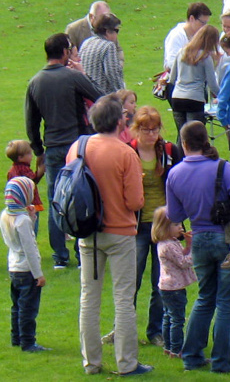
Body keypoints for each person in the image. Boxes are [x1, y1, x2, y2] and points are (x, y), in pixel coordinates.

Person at [166, 121, 230, 373]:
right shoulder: (221, 168)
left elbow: (175, 214)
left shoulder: (174, 173)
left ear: (183, 144)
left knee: (205, 298)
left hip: (200, 239)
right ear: (206, 140)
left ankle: (192, 356)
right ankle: (222, 361)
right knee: (227, 302)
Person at [68, 96, 151, 376]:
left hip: (87, 232)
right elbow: (135, 202)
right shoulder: (126, 153)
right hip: (120, 233)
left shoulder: (77, 148)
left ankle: (91, 363)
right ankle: (126, 363)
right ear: (120, 121)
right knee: (123, 299)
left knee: (89, 298)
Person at [25, 33, 102, 268]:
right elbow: (100, 96)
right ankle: (82, 254)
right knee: (80, 196)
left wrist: (39, 150)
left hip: (53, 148)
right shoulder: (72, 77)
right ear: (65, 52)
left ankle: (60, 256)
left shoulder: (35, 82)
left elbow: (31, 122)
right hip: (77, 147)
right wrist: (82, 73)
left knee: (55, 199)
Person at [123, 106, 181, 350]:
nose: (151, 134)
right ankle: (125, 329)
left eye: (155, 129)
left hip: (164, 227)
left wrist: (178, 220)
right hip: (136, 226)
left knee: (162, 281)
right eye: (146, 130)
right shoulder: (128, 152)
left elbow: (181, 184)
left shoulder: (169, 151)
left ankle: (156, 330)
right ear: (136, 130)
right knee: (130, 281)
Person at [2, 176, 47, 353]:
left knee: (17, 306)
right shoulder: (22, 221)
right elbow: (30, 248)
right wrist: (39, 275)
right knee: (28, 309)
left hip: (13, 267)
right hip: (27, 270)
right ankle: (28, 342)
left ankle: (16, 337)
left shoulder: (6, 215)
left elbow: (20, 240)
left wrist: (31, 217)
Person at [152, 206, 195, 360]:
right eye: (176, 225)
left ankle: (168, 347)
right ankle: (176, 350)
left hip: (166, 287)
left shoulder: (169, 242)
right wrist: (194, 250)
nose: (181, 228)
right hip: (174, 288)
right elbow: (183, 262)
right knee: (177, 319)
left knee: (167, 317)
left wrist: (188, 246)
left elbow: (180, 256)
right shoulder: (169, 245)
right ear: (165, 227)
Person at [167, 24, 220, 137]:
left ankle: (179, 155)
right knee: (193, 137)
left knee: (182, 137)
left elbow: (172, 78)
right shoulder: (205, 57)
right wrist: (224, 95)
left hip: (177, 97)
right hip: (194, 98)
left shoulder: (182, 52)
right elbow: (212, 85)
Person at [79, 12, 125, 95]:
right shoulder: (108, 46)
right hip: (104, 96)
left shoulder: (86, 42)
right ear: (107, 31)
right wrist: (123, 93)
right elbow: (113, 74)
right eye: (116, 30)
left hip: (88, 95)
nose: (117, 35)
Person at [162, 2, 212, 73]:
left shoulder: (202, 35)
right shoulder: (176, 36)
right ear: (192, 18)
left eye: (206, 23)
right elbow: (171, 64)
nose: (204, 27)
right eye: (202, 23)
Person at [6, 140, 44, 215]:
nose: (32, 156)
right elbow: (33, 181)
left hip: (16, 204)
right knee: (32, 225)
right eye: (29, 154)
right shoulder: (24, 169)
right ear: (20, 157)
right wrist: (41, 170)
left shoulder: (11, 171)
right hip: (30, 205)